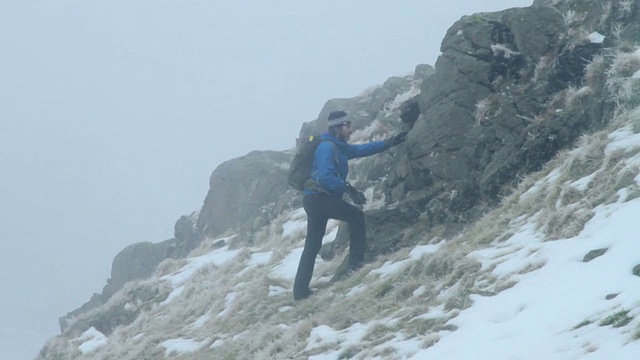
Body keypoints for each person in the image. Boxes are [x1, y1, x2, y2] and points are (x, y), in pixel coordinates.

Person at [293, 110, 407, 300]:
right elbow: (326, 176)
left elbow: (361, 150)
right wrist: (348, 188)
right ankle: (356, 264)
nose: (351, 129)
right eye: (348, 125)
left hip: (314, 200)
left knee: (312, 245)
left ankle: (300, 292)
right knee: (355, 216)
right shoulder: (327, 148)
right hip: (318, 199)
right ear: (338, 127)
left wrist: (389, 142)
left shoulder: (339, 146)